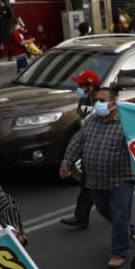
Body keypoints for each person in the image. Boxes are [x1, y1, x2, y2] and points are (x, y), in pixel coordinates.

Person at [60, 86, 134, 269]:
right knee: (103, 210)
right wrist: (67, 162)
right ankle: (128, 231)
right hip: (95, 181)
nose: (98, 105)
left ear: (114, 102)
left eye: (102, 101)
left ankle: (119, 252)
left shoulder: (126, 124)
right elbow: (78, 141)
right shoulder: (92, 120)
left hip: (120, 180)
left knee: (118, 217)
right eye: (96, 101)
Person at [60, 71, 103, 230]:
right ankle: (81, 217)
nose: (78, 87)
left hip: (101, 152)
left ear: (91, 86)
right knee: (86, 186)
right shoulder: (84, 99)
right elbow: (82, 126)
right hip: (87, 149)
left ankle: (125, 225)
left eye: (81, 85)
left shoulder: (102, 103)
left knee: (107, 190)